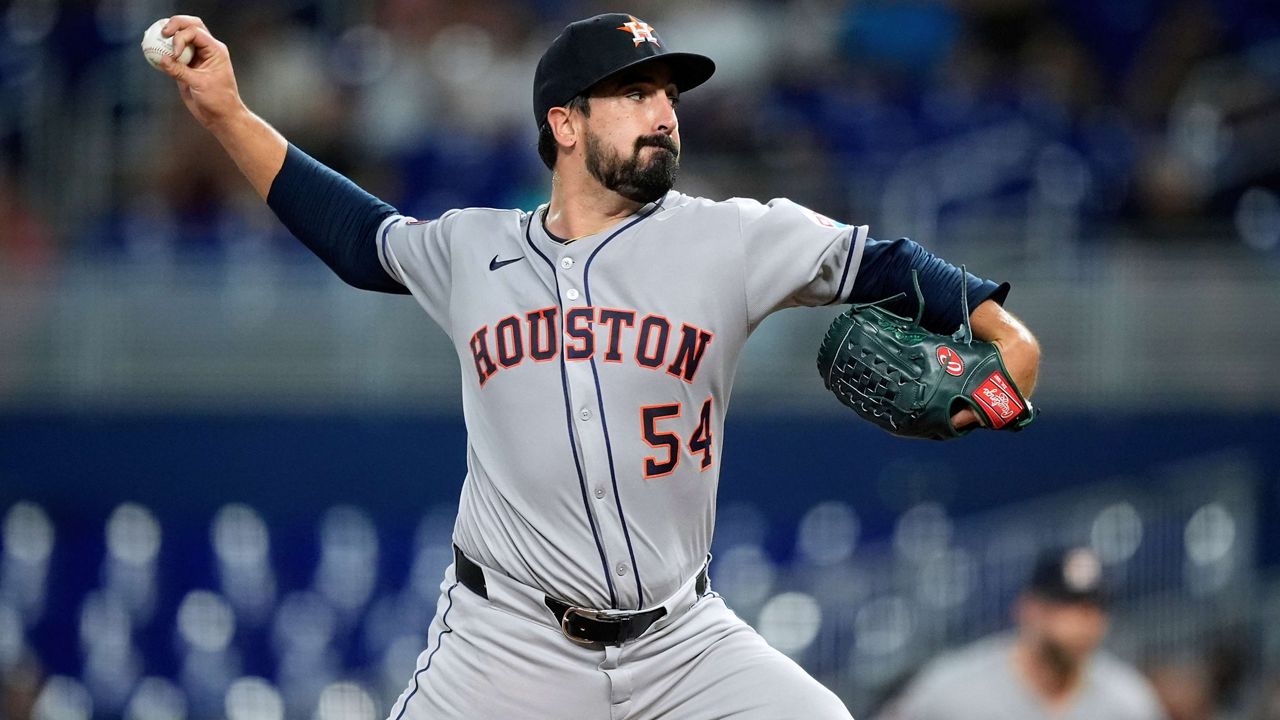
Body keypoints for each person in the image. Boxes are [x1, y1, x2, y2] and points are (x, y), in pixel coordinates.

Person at [155, 11, 1040, 719]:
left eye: (669, 95)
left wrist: (1009, 338)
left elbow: (883, 263)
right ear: (564, 122)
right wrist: (229, 113)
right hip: (504, 646)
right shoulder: (472, 250)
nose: (663, 111)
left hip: (682, 641)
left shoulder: (729, 236)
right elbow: (356, 238)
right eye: (634, 93)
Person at [880, 547, 1166, 720]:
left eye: (1094, 608)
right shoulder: (952, 689)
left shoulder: (1128, 701)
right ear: (1027, 608)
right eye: (1066, 605)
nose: (1081, 622)